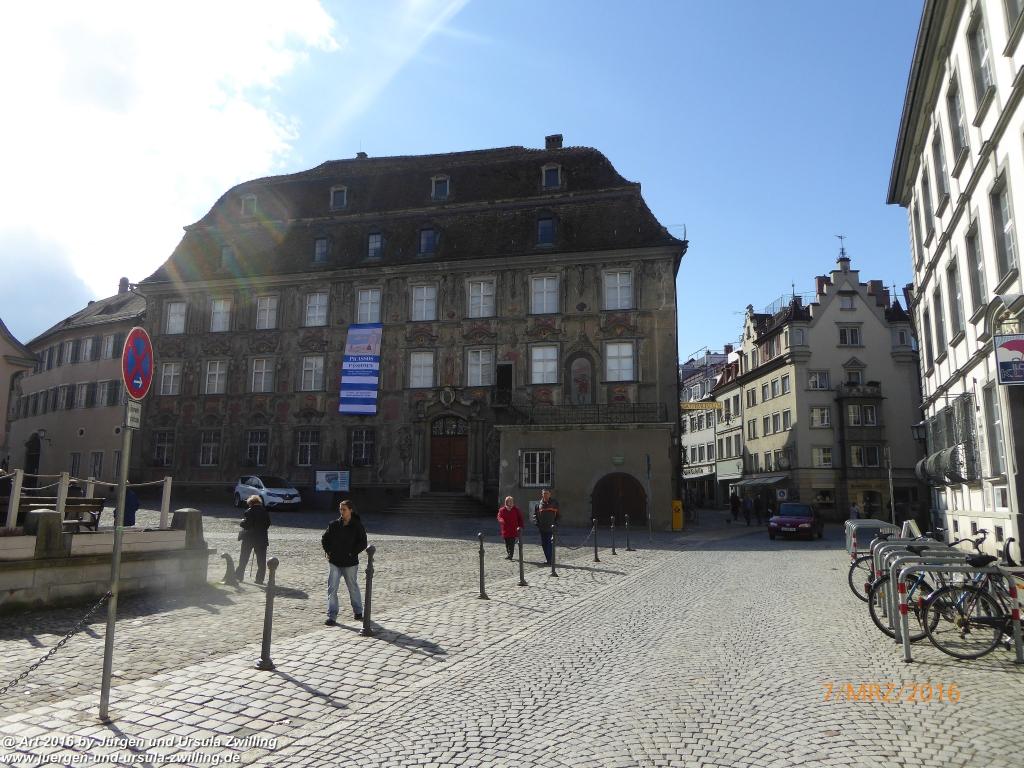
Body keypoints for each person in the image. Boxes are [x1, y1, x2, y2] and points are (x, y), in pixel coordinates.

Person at [321, 499, 368, 625]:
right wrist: (329, 551)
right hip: (335, 562)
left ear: (350, 510)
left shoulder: (357, 525)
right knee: (332, 589)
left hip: (350, 563)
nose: (342, 512)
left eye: (344, 509)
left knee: (352, 587)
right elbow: (325, 538)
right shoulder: (334, 524)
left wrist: (352, 553)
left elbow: (363, 542)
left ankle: (358, 611)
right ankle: (332, 616)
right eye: (340, 509)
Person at [235, 495, 271, 584]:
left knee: (244, 558)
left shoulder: (249, 511)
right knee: (261, 561)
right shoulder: (265, 512)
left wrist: (242, 522)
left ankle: (239, 576)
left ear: (251, 503)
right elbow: (267, 524)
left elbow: (246, 525)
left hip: (249, 539)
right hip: (261, 538)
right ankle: (259, 579)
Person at [535, 489, 560, 564]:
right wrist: (537, 523)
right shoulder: (538, 504)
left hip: (551, 528)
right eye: (544, 493)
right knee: (544, 544)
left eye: (547, 493)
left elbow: (558, 515)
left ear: (550, 494)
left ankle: (550, 560)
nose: (545, 495)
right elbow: (535, 515)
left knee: (549, 544)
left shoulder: (554, 503)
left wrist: (555, 524)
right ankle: (548, 559)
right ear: (542, 494)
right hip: (542, 528)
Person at [497, 495, 525, 560]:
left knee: (512, 543)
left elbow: (520, 518)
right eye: (509, 501)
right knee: (507, 543)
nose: (510, 502)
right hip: (505, 529)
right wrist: (501, 520)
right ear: (506, 502)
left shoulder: (516, 509)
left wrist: (521, 526)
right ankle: (508, 553)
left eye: (511, 501)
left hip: (513, 529)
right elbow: (499, 516)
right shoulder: (502, 510)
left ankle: (510, 555)